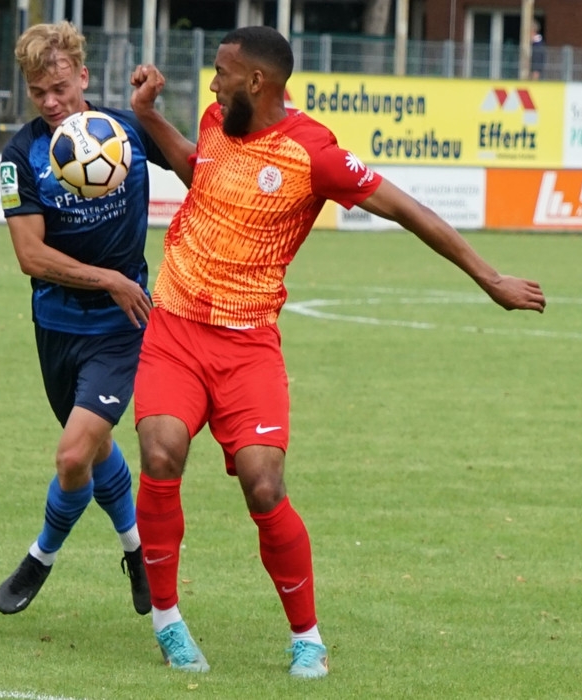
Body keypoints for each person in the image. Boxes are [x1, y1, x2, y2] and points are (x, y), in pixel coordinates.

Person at [127, 26, 546, 678]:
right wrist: (149, 117)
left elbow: (406, 209)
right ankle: (168, 621)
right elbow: (197, 169)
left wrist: (488, 276)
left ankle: (307, 639)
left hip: (249, 345)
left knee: (265, 487)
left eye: (222, 73)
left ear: (257, 83)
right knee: (160, 452)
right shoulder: (215, 120)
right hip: (176, 330)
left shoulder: (311, 153)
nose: (211, 84)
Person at [0, 21, 171, 617]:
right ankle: (138, 554)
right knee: (93, 451)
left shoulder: (126, 130)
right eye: (38, 91)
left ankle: (39, 556)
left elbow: (199, 168)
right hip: (57, 329)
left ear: (83, 77)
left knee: (72, 455)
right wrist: (109, 278)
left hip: (123, 329)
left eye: (60, 87)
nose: (50, 102)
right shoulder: (21, 155)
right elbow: (30, 256)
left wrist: (151, 109)